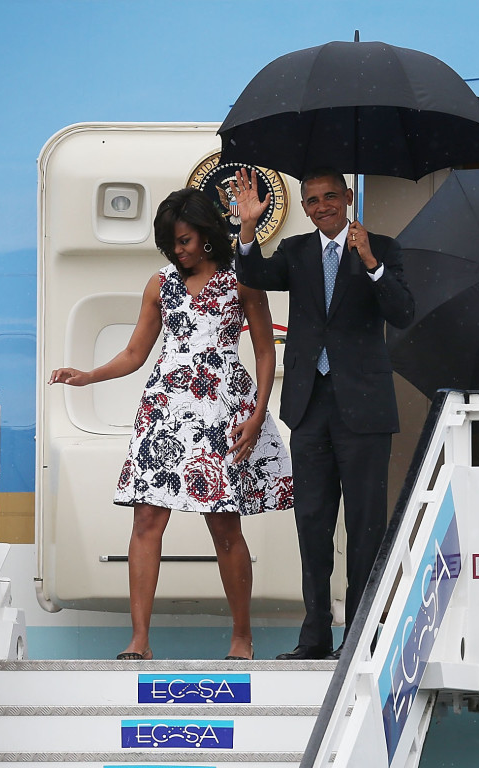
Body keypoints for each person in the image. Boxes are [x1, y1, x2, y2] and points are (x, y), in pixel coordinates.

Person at [49, 188, 293, 661]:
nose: (177, 251)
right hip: (165, 408)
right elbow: (136, 353)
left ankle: (241, 637)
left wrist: (259, 412)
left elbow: (265, 351)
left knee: (225, 528)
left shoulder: (241, 280)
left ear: (205, 235)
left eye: (183, 240)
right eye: (170, 244)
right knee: (146, 520)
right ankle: (139, 640)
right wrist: (88, 375)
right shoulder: (160, 284)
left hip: (224, 408)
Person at [229, 166, 414, 660]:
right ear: (306, 208)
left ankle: (359, 638)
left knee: (365, 527)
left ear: (348, 197)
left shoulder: (383, 248)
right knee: (312, 523)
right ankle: (314, 638)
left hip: (365, 410)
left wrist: (371, 262)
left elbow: (402, 311)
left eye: (331, 196)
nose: (322, 206)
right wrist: (247, 227)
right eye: (312, 201)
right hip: (310, 407)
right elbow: (252, 274)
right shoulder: (296, 252)